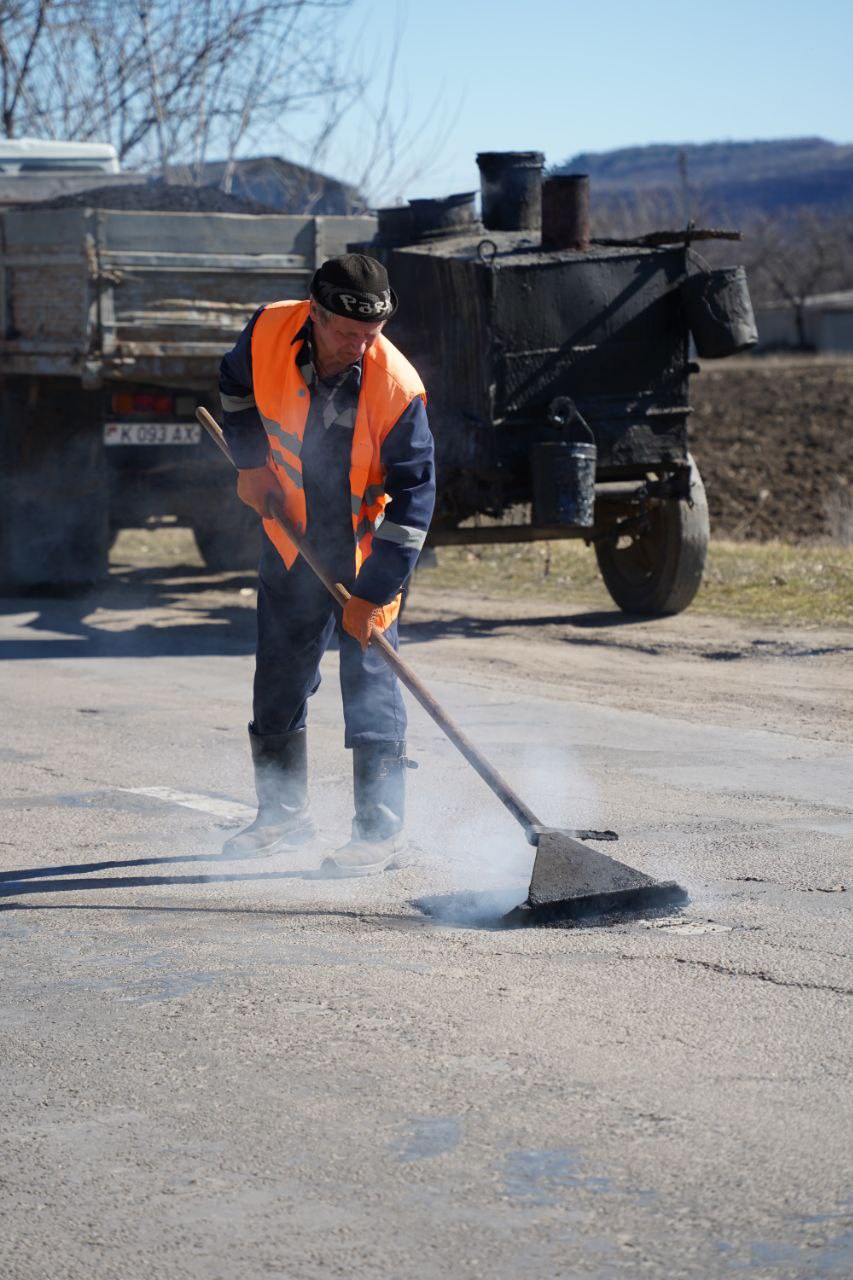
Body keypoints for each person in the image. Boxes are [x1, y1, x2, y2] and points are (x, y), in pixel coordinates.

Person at [217, 254, 435, 877]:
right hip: (292, 537)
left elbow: (415, 504)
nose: (359, 346)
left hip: (366, 554)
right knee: (279, 676)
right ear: (315, 313)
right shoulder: (268, 330)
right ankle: (281, 816)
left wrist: (375, 592)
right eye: (347, 333)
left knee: (370, 685)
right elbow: (233, 386)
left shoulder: (398, 389)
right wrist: (251, 465)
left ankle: (380, 832)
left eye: (372, 334)